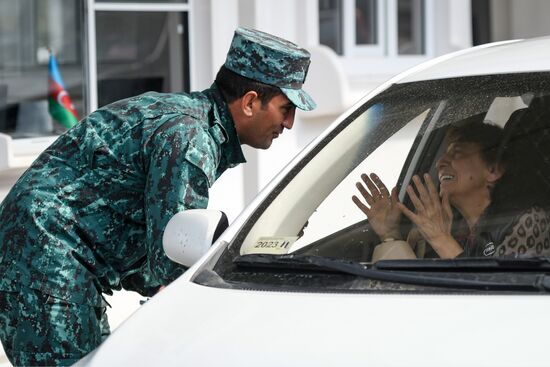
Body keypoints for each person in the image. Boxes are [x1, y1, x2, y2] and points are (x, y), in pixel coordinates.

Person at [0, 27, 316, 366]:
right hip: (47, 259)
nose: (289, 123)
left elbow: (156, 253)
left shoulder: (192, 121)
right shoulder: (190, 140)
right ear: (251, 102)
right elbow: (173, 258)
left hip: (61, 259)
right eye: (285, 108)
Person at [352, 115, 550, 261]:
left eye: (456, 153)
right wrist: (390, 234)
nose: (440, 163)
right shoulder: (451, 226)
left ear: (493, 170)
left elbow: (503, 299)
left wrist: (440, 239)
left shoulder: (528, 220)